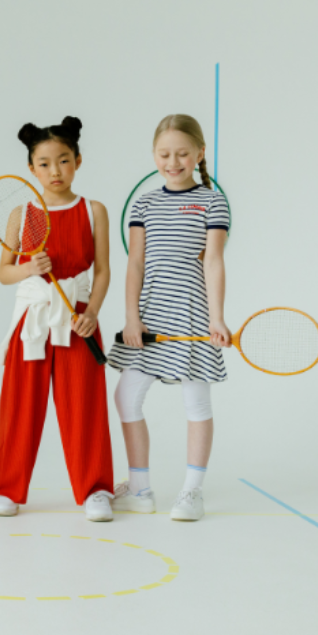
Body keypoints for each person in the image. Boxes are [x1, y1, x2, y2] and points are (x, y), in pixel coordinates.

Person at [0, 117, 116, 522]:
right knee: (20, 407)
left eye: (63, 160)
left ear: (78, 160)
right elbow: (4, 272)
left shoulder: (94, 210)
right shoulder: (21, 213)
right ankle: (8, 489)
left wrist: (92, 312)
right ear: (31, 169)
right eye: (44, 164)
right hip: (32, 321)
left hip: (77, 320)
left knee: (84, 405)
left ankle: (95, 489)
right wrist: (29, 269)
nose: (54, 171)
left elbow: (103, 270)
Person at [106, 114, 230, 521]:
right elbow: (135, 263)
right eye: (164, 154)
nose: (173, 162)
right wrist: (132, 318)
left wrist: (217, 319)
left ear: (200, 153)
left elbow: (213, 261)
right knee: (126, 397)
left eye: (182, 153)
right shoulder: (144, 204)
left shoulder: (212, 202)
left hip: (192, 313)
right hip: (150, 315)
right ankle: (140, 489)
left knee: (195, 400)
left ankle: (192, 492)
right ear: (153, 155)